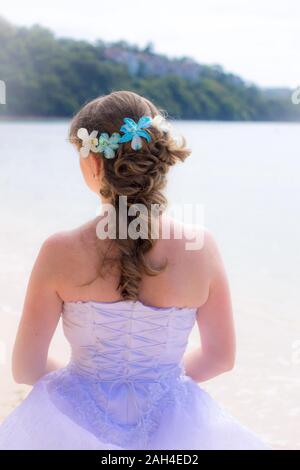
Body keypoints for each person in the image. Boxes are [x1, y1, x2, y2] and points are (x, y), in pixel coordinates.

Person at [0, 91, 271, 450]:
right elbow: (220, 357)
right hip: (175, 431)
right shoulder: (200, 247)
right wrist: (158, 384)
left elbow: (26, 368)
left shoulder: (60, 251)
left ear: (95, 164)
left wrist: (83, 388)